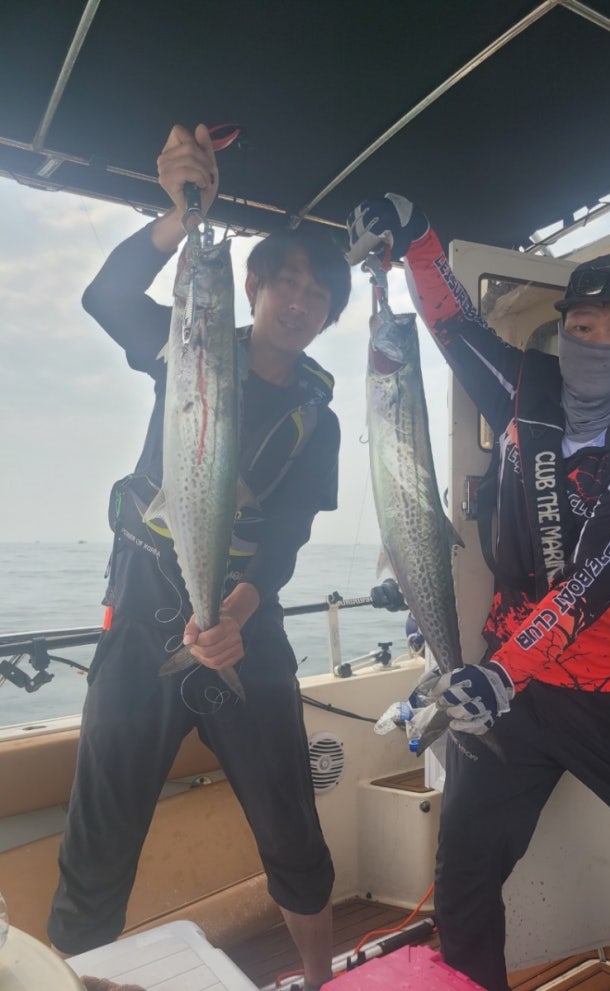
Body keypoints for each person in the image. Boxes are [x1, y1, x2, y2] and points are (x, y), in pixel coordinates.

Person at [346, 194, 610, 991]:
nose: (600, 343)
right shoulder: (522, 389)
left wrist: (497, 672)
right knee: (462, 874)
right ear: (563, 330)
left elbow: (595, 578)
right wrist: (415, 232)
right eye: (585, 326)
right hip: (513, 701)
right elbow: (451, 324)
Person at [47, 124, 351, 991]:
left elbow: (285, 539)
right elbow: (107, 295)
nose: (300, 299)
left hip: (244, 627)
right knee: (99, 837)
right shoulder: (183, 344)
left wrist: (235, 618)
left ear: (329, 314)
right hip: (143, 612)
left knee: (291, 825)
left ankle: (319, 979)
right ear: (250, 287)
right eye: (286, 279)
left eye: (318, 292)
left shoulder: (318, 420)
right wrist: (180, 218)